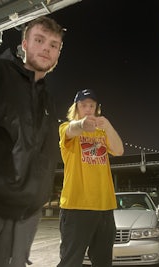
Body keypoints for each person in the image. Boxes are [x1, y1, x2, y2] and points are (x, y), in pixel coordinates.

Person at [0, 16, 66, 267]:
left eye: (54, 45)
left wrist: (39, 197)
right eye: (39, 40)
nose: (47, 48)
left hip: (26, 212)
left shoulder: (47, 99)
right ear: (24, 44)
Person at [57, 89, 124, 267]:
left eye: (92, 105)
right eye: (83, 105)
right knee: (70, 262)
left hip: (105, 207)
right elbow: (71, 129)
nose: (88, 109)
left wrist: (107, 126)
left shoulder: (102, 134)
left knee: (103, 262)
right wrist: (81, 125)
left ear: (96, 108)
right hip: (76, 207)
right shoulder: (66, 128)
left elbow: (119, 150)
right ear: (76, 108)